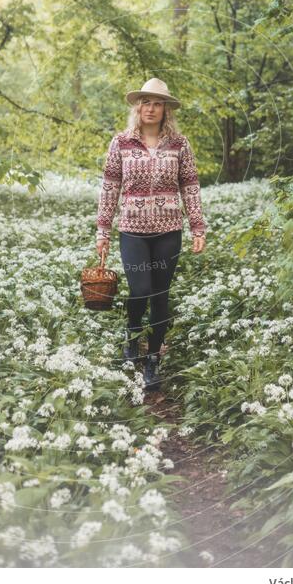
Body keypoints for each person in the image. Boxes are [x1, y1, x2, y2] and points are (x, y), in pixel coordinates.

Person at [95, 78, 207, 391]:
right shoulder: (121, 142)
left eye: (157, 103)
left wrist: (198, 226)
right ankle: (132, 337)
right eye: (146, 102)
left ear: (165, 109)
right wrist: (102, 230)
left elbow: (190, 186)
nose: (151, 108)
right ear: (138, 107)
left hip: (169, 231)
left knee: (160, 295)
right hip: (132, 230)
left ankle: (154, 359)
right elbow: (109, 188)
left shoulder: (180, 144)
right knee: (140, 289)